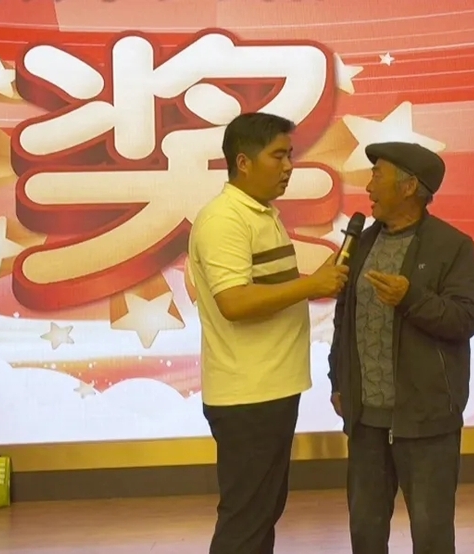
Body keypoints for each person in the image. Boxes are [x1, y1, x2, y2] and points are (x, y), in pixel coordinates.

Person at [188, 112, 349, 554]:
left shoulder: (261, 213)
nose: (288, 166)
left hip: (270, 389)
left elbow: (269, 292)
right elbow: (235, 302)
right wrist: (310, 286)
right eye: (278, 156)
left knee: (262, 513)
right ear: (243, 162)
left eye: (290, 155)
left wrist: (317, 281)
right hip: (248, 395)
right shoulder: (225, 219)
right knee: (246, 519)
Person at [328, 141, 474, 554]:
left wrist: (411, 298)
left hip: (426, 419)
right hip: (366, 420)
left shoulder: (452, 246)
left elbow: (466, 319)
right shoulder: (361, 242)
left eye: (377, 175)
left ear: (410, 186)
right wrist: (337, 380)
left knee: (432, 535)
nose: (368, 186)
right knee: (365, 532)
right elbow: (344, 317)